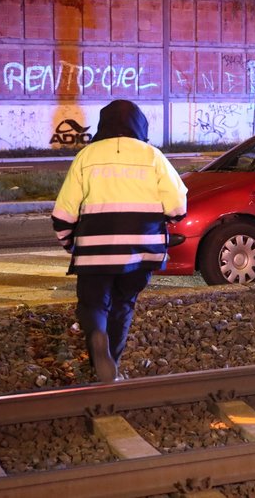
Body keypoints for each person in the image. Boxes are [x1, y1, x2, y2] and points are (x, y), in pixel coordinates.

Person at [52, 100, 187, 382]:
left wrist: (70, 245)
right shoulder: (153, 156)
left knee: (92, 305)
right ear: (140, 125)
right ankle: (111, 360)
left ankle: (97, 338)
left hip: (94, 252)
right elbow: (177, 207)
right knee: (123, 304)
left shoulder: (86, 157)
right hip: (141, 251)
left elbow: (63, 214)